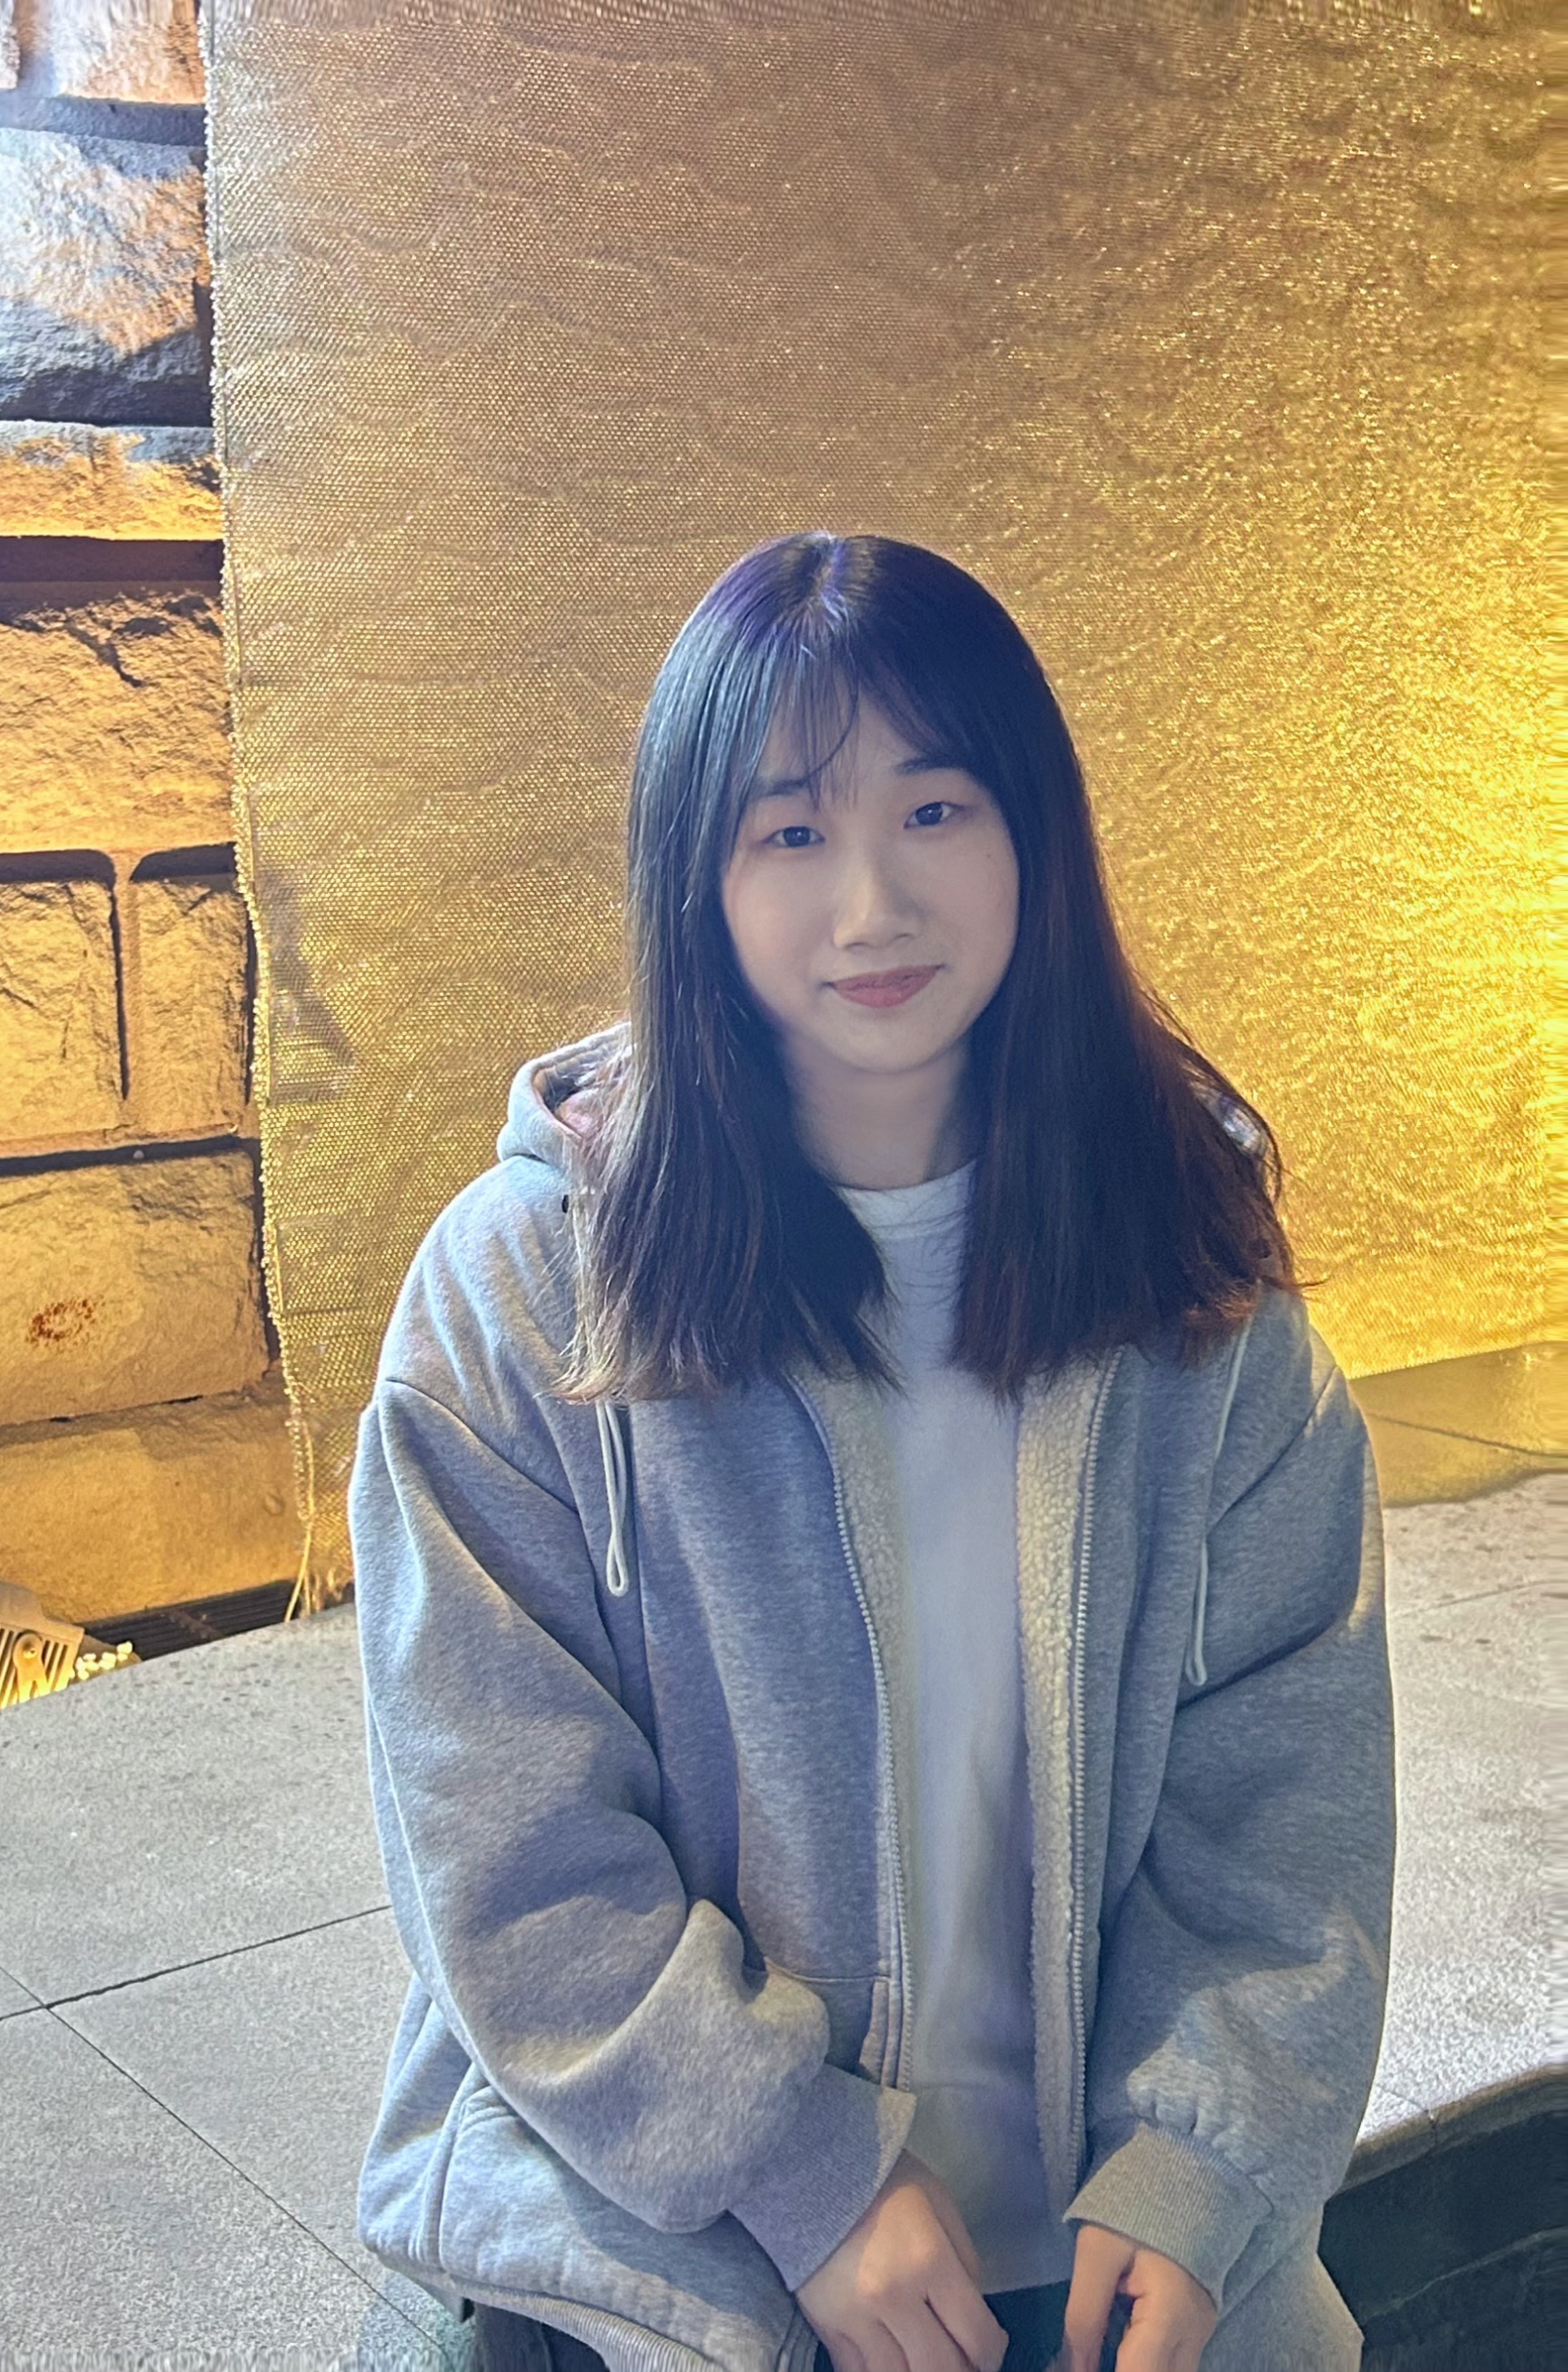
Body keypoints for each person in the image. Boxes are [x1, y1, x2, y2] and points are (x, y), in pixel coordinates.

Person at [347, 533, 1395, 2372]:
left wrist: (1199, 2162)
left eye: (933, 810)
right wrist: (804, 2173)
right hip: (669, 2211)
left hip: (1113, 2224)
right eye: (790, 832)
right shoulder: (524, 1292)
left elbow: (1286, 1793)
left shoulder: (1190, 1270)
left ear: (1032, 835)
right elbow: (504, 1843)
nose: (871, 906)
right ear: (696, 876)